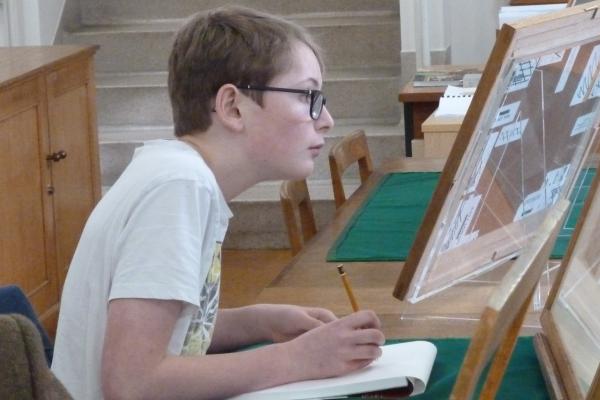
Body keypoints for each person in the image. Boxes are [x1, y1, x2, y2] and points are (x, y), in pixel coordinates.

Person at [51, 6, 385, 399]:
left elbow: (173, 333)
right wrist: (296, 359)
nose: (326, 119)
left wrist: (257, 322)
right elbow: (131, 383)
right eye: (308, 96)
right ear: (232, 107)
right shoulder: (178, 188)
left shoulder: (180, 177)